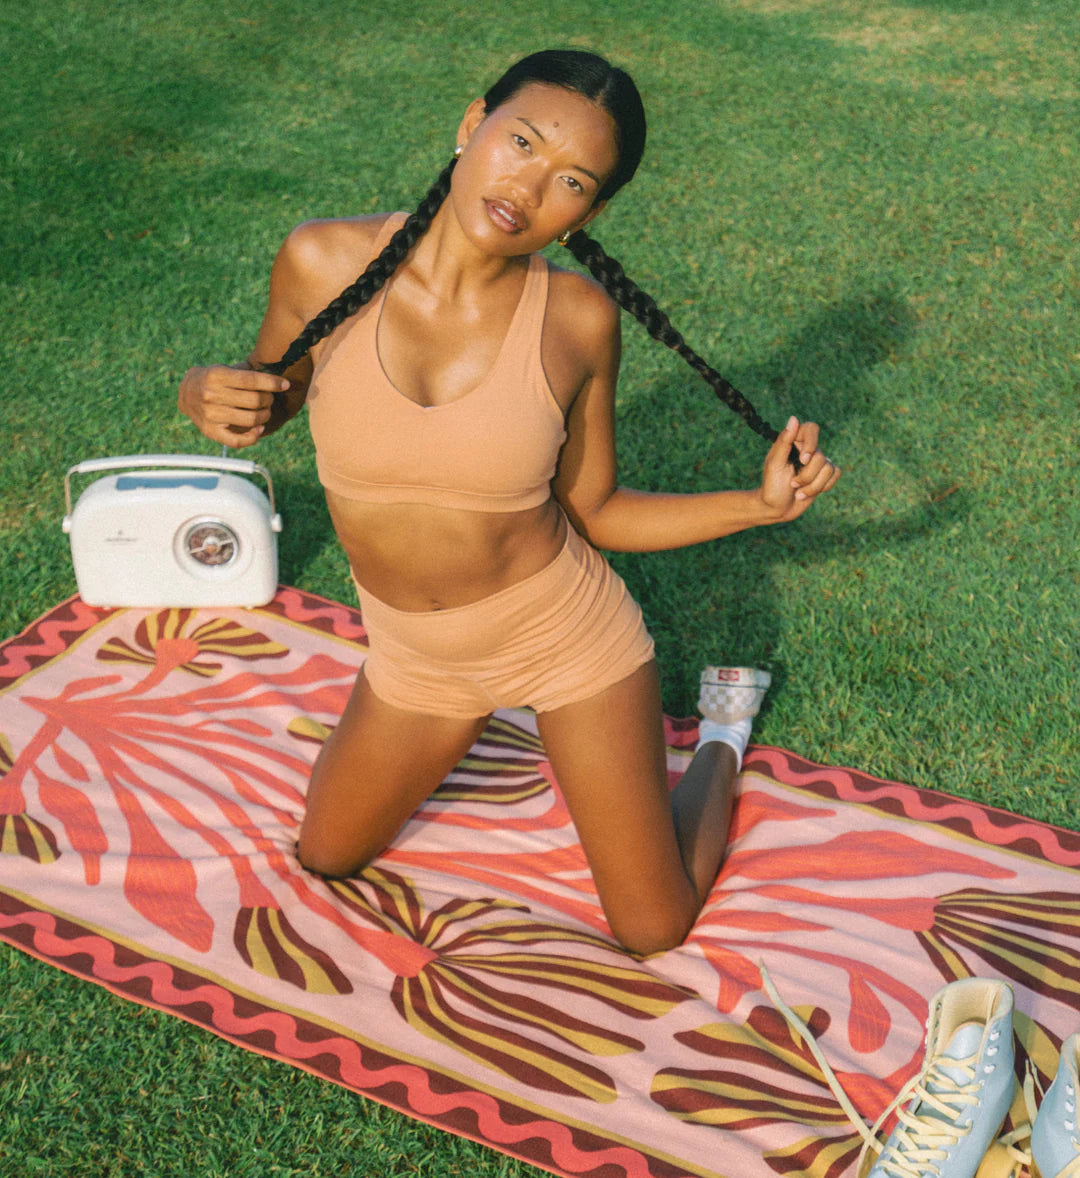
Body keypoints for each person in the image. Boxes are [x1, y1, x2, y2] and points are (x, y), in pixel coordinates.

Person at [178, 49, 840, 956]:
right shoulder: (321, 258)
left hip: (563, 640)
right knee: (326, 854)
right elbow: (272, 390)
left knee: (654, 925)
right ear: (471, 124)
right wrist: (204, 391)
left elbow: (596, 513)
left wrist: (756, 507)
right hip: (416, 659)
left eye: (571, 180)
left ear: (590, 214)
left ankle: (722, 735)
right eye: (521, 142)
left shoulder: (577, 320)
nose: (527, 187)